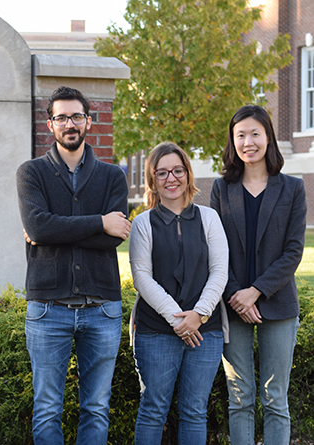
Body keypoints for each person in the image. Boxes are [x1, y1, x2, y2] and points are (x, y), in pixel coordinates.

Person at [16, 86, 131, 445]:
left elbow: (116, 237)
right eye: (62, 117)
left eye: (77, 116)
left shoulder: (113, 176)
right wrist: (99, 222)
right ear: (50, 124)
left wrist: (54, 229)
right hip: (48, 308)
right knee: (47, 407)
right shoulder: (31, 173)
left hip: (103, 309)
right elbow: (38, 226)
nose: (70, 124)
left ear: (89, 122)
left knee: (96, 407)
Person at [210, 105, 307, 445]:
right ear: (232, 142)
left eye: (255, 134)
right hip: (233, 305)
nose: (248, 142)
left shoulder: (292, 188)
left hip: (279, 305)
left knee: (275, 398)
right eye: (240, 136)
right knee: (240, 397)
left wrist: (257, 292)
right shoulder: (222, 189)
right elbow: (217, 251)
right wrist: (239, 295)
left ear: (268, 137)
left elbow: (293, 251)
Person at [129, 142, 229, 445]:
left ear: (187, 174)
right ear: (152, 180)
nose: (170, 178)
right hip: (156, 331)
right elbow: (142, 278)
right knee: (152, 409)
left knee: (195, 411)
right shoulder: (143, 223)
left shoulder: (210, 218)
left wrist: (198, 315)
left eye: (177, 170)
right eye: (162, 173)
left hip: (205, 331)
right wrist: (178, 320)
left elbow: (220, 272)